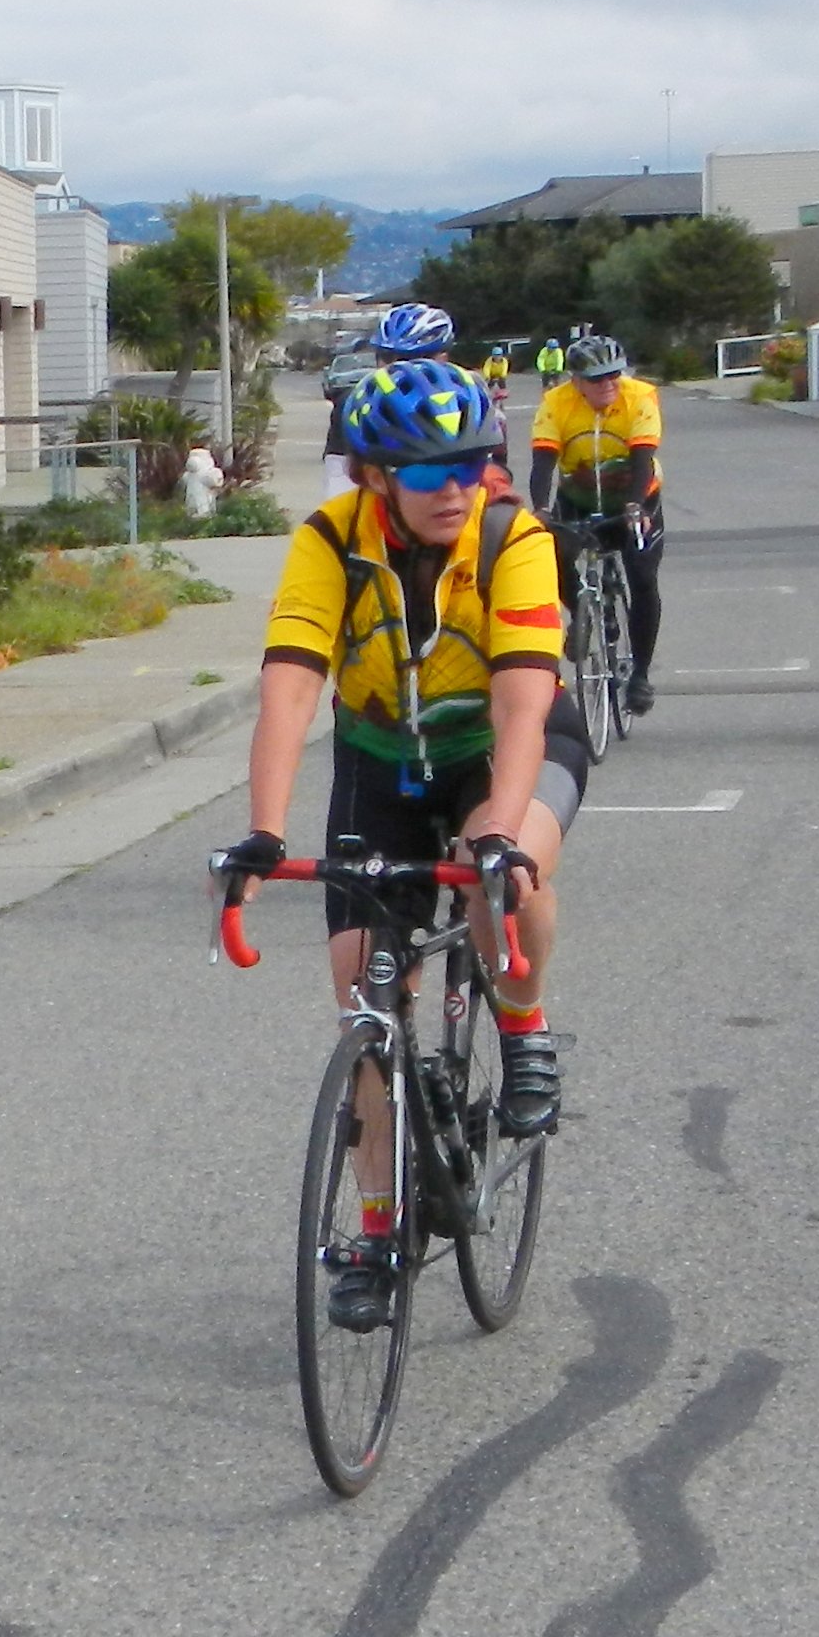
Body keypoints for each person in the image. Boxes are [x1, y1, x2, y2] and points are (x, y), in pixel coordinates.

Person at [217, 358, 586, 1335]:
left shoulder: (513, 538)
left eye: (470, 464)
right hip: (382, 758)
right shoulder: (330, 541)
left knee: (504, 876)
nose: (455, 488)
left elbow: (522, 704)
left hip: (501, 747)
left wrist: (498, 826)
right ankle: (376, 1233)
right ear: (377, 476)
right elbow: (293, 685)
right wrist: (265, 830)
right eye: (429, 472)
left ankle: (523, 1023)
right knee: (362, 996)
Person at [528, 326, 664, 715]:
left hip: (635, 496)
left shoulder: (640, 396)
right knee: (551, 552)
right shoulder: (556, 403)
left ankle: (640, 675)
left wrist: (636, 506)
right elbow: (543, 463)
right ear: (576, 382)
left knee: (643, 576)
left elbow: (642, 457)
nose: (608, 384)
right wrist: (540, 509)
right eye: (597, 378)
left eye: (614, 375)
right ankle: (584, 613)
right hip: (579, 496)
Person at [318, 300, 459, 461]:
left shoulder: (464, 403)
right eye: (386, 356)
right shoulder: (353, 404)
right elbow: (337, 467)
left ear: (442, 359)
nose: (397, 366)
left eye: (411, 358)